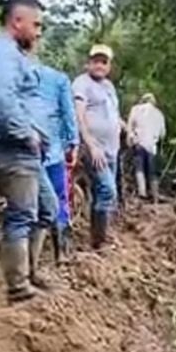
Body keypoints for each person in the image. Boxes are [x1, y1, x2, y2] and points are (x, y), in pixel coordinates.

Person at [0, 0, 56, 302]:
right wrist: (27, 134)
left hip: (26, 150)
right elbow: (5, 101)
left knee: (47, 210)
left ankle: (30, 273)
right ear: (17, 21)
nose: (38, 32)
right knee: (22, 214)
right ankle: (18, 288)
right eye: (36, 25)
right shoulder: (3, 53)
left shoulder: (14, 54)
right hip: (12, 146)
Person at [29, 52, 80, 262]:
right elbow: (69, 114)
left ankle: (29, 259)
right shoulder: (58, 79)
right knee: (59, 198)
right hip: (51, 152)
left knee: (28, 201)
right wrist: (73, 143)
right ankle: (61, 251)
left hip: (22, 153)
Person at [72, 44, 122, 250]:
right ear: (88, 63)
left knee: (105, 193)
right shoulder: (82, 83)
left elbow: (114, 115)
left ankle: (99, 237)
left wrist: (127, 129)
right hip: (95, 149)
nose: (100, 65)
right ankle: (99, 242)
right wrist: (91, 144)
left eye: (104, 62)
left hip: (112, 149)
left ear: (109, 66)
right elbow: (79, 115)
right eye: (96, 61)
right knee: (107, 191)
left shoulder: (109, 87)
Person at [127, 92, 166, 202]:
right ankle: (155, 195)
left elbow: (130, 126)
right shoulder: (159, 114)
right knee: (152, 171)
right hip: (152, 146)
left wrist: (130, 139)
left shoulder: (135, 109)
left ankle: (142, 192)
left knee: (139, 168)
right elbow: (163, 133)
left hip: (139, 143)